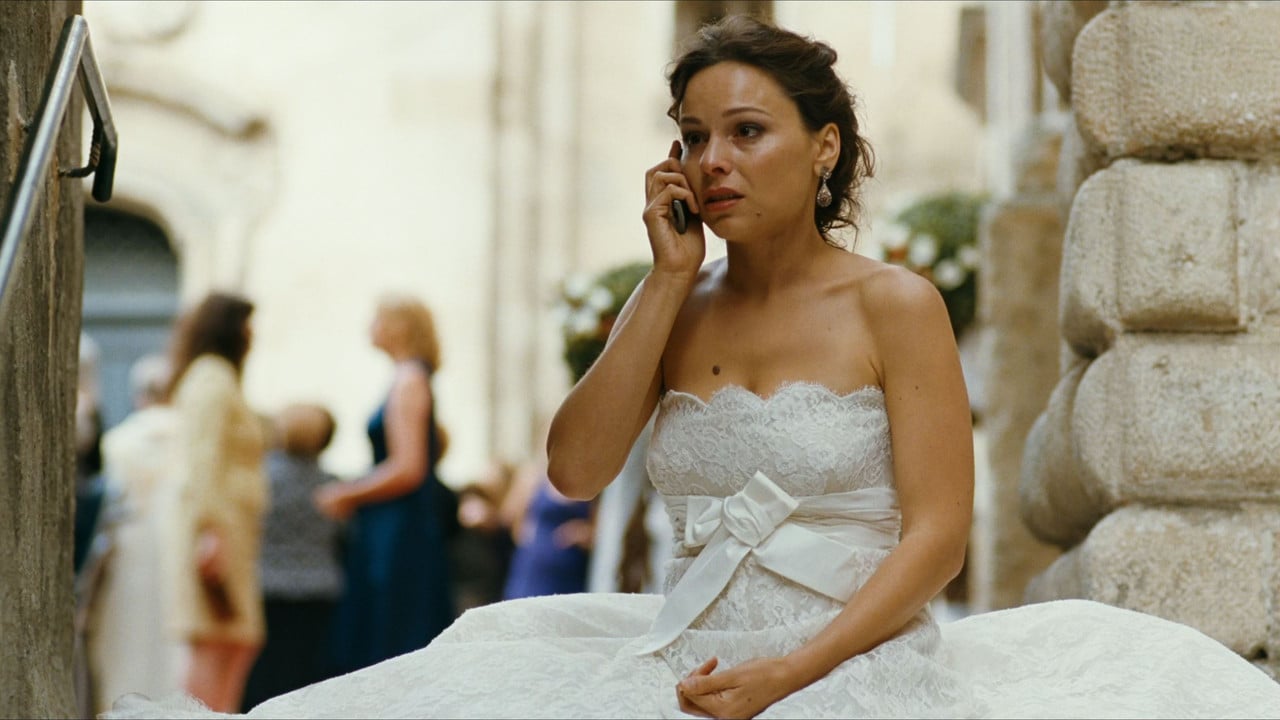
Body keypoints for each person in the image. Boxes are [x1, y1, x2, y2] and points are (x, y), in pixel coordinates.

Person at [106, 16, 1280, 719]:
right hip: (679, 653)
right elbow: (572, 470)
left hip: (852, 657)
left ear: (823, 151)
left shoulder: (896, 303)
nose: (712, 159)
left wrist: (792, 672)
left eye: (745, 132)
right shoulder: (670, 303)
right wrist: (662, 283)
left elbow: (936, 537)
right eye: (691, 135)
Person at [314, 294, 456, 676]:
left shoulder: (409, 380)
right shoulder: (408, 377)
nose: (370, 326)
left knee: (393, 639)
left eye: (377, 318)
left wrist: (346, 493)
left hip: (398, 530)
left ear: (399, 326)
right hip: (393, 525)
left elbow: (408, 468)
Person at [158, 291, 269, 713]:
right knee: (215, 643)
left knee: (235, 642)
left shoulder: (218, 378)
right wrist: (210, 532)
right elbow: (201, 460)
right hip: (216, 527)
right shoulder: (211, 378)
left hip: (232, 529)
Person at [84, 354, 186, 717]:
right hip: (178, 556)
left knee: (122, 645)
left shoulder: (117, 442)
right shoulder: (190, 438)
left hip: (128, 560)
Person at [240, 403, 344, 711]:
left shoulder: (260, 477)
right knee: (307, 675)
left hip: (267, 586)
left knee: (266, 676)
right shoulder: (332, 483)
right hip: (320, 588)